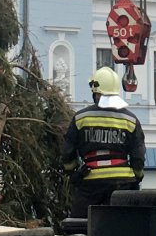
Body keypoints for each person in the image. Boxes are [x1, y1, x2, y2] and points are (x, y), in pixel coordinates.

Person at [62, 67, 145, 220]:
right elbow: (138, 156)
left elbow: (68, 153)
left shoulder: (81, 118)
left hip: (90, 183)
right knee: (124, 227)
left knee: (78, 226)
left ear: (95, 91)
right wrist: (136, 177)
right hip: (123, 184)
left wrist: (74, 173)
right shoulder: (131, 120)